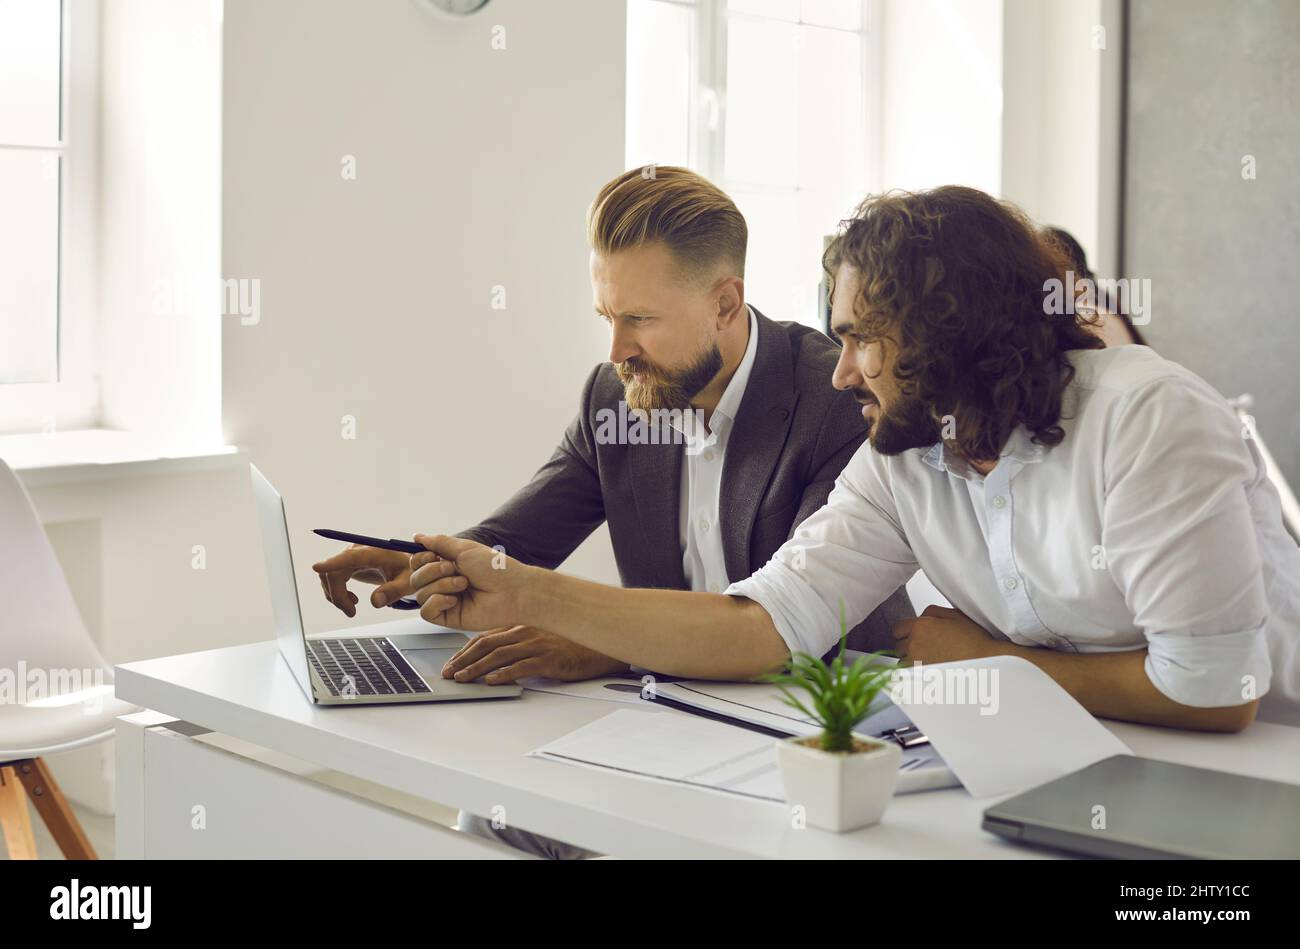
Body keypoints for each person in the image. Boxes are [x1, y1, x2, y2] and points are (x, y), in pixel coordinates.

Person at [414, 185, 1300, 734]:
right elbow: (761, 622)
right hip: (1091, 751)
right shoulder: (905, 454)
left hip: (1265, 768)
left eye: (862, 338)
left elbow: (1215, 694)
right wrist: (526, 587)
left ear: (948, 333)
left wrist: (993, 664)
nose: (841, 371)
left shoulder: (1147, 418)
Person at [313, 166, 912, 857]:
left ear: (725, 303)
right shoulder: (615, 398)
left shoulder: (833, 398)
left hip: (814, 739)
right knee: (491, 818)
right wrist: (422, 561)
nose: (617, 350)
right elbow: (516, 543)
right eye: (607, 316)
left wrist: (604, 646)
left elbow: (791, 628)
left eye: (639, 320)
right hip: (666, 723)